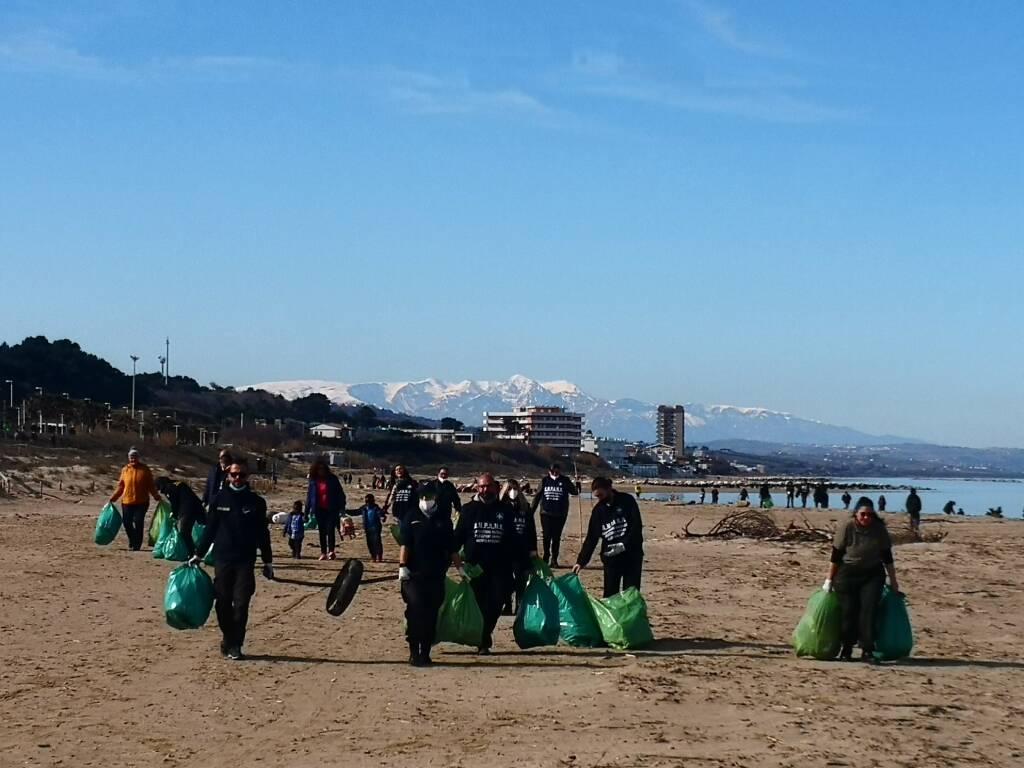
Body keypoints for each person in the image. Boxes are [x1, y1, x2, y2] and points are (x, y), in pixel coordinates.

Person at [192, 458, 273, 660]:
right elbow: (209, 530)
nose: (237, 478)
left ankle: (235, 644)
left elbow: (263, 533)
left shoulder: (256, 502)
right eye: (234, 474)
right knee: (222, 604)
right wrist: (198, 554)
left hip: (245, 560)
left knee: (242, 603)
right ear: (228, 475)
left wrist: (267, 561)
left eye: (242, 474)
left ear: (247, 477)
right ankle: (228, 638)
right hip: (223, 559)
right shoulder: (218, 500)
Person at [822, 497, 899, 664]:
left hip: (872, 574)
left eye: (870, 515)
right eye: (863, 514)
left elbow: (887, 557)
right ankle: (846, 648)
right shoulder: (847, 527)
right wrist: (829, 580)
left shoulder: (879, 529)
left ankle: (867, 650)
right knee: (849, 611)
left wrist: (893, 581)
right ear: (856, 514)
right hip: (847, 574)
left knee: (869, 610)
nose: (866, 518)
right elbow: (836, 555)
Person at [455, 473, 521, 654]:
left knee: (496, 603)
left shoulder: (505, 510)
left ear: (496, 487)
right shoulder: (468, 510)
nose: (485, 490)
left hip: (500, 567)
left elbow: (513, 539)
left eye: (489, 486)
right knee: (478, 604)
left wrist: (523, 563)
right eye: (482, 486)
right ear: (477, 488)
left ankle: (486, 632)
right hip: (474, 568)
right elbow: (458, 537)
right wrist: (453, 562)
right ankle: (483, 639)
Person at [399, 482, 460, 666]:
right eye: (423, 498)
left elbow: (452, 548)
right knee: (416, 609)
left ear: (435, 499)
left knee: (431, 613)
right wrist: (402, 566)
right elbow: (405, 544)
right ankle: (413, 651)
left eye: (430, 498)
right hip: (413, 576)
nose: (426, 501)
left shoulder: (443, 519)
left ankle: (425, 652)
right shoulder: (411, 517)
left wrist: (460, 568)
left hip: (435, 575)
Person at [574, 477, 644, 598]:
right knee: (610, 595)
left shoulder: (627, 500)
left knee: (631, 595)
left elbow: (636, 527)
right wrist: (581, 561)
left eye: (601, 495)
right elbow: (592, 537)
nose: (600, 499)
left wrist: (623, 545)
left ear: (609, 489)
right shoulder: (598, 511)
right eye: (597, 496)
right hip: (611, 559)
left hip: (632, 556)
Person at [109, 448, 161, 551]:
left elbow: (150, 485)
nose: (133, 459)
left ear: (138, 457)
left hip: (142, 502)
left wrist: (156, 496)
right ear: (129, 458)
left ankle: (137, 544)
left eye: (135, 457)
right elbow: (121, 486)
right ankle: (132, 539)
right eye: (131, 457)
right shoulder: (125, 470)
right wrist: (113, 498)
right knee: (127, 522)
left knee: (138, 521)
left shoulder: (145, 469)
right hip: (127, 501)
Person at [500, 478, 538, 614]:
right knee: (505, 579)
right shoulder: (500, 507)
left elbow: (531, 529)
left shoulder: (525, 507)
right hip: (504, 549)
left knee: (520, 579)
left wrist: (533, 549)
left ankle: (519, 604)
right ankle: (507, 604)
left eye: (515, 489)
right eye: (509, 489)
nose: (512, 492)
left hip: (521, 548)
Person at [530, 463, 579, 568]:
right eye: (553, 471)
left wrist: (578, 485)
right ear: (549, 471)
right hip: (546, 513)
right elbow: (537, 496)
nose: (555, 473)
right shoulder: (544, 481)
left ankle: (554, 560)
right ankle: (546, 557)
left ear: (559, 470)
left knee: (556, 537)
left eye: (557, 471)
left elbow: (574, 492)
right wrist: (531, 512)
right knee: (546, 536)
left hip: (560, 514)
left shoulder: (565, 480)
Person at [305, 458, 346, 561]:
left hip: (332, 508)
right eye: (319, 469)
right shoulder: (313, 480)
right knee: (322, 531)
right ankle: (323, 552)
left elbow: (340, 494)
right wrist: (306, 511)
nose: (321, 470)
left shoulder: (332, 479)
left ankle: (331, 551)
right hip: (319, 509)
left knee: (330, 529)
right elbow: (309, 496)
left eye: (323, 468)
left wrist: (342, 508)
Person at [155, 476, 206, 557]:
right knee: (206, 529)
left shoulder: (169, 488)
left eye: (158, 488)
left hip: (188, 511)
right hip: (198, 508)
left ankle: (193, 553)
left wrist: (174, 514)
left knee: (184, 532)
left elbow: (174, 503)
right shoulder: (178, 483)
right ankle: (208, 549)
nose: (160, 491)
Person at [360, 494, 385, 563]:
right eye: (366, 501)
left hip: (376, 528)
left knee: (377, 542)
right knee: (370, 543)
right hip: (367, 528)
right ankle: (373, 556)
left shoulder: (376, 508)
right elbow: (355, 512)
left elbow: (380, 513)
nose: (368, 502)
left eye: (369, 501)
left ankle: (379, 556)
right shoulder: (364, 508)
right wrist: (345, 511)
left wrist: (382, 517)